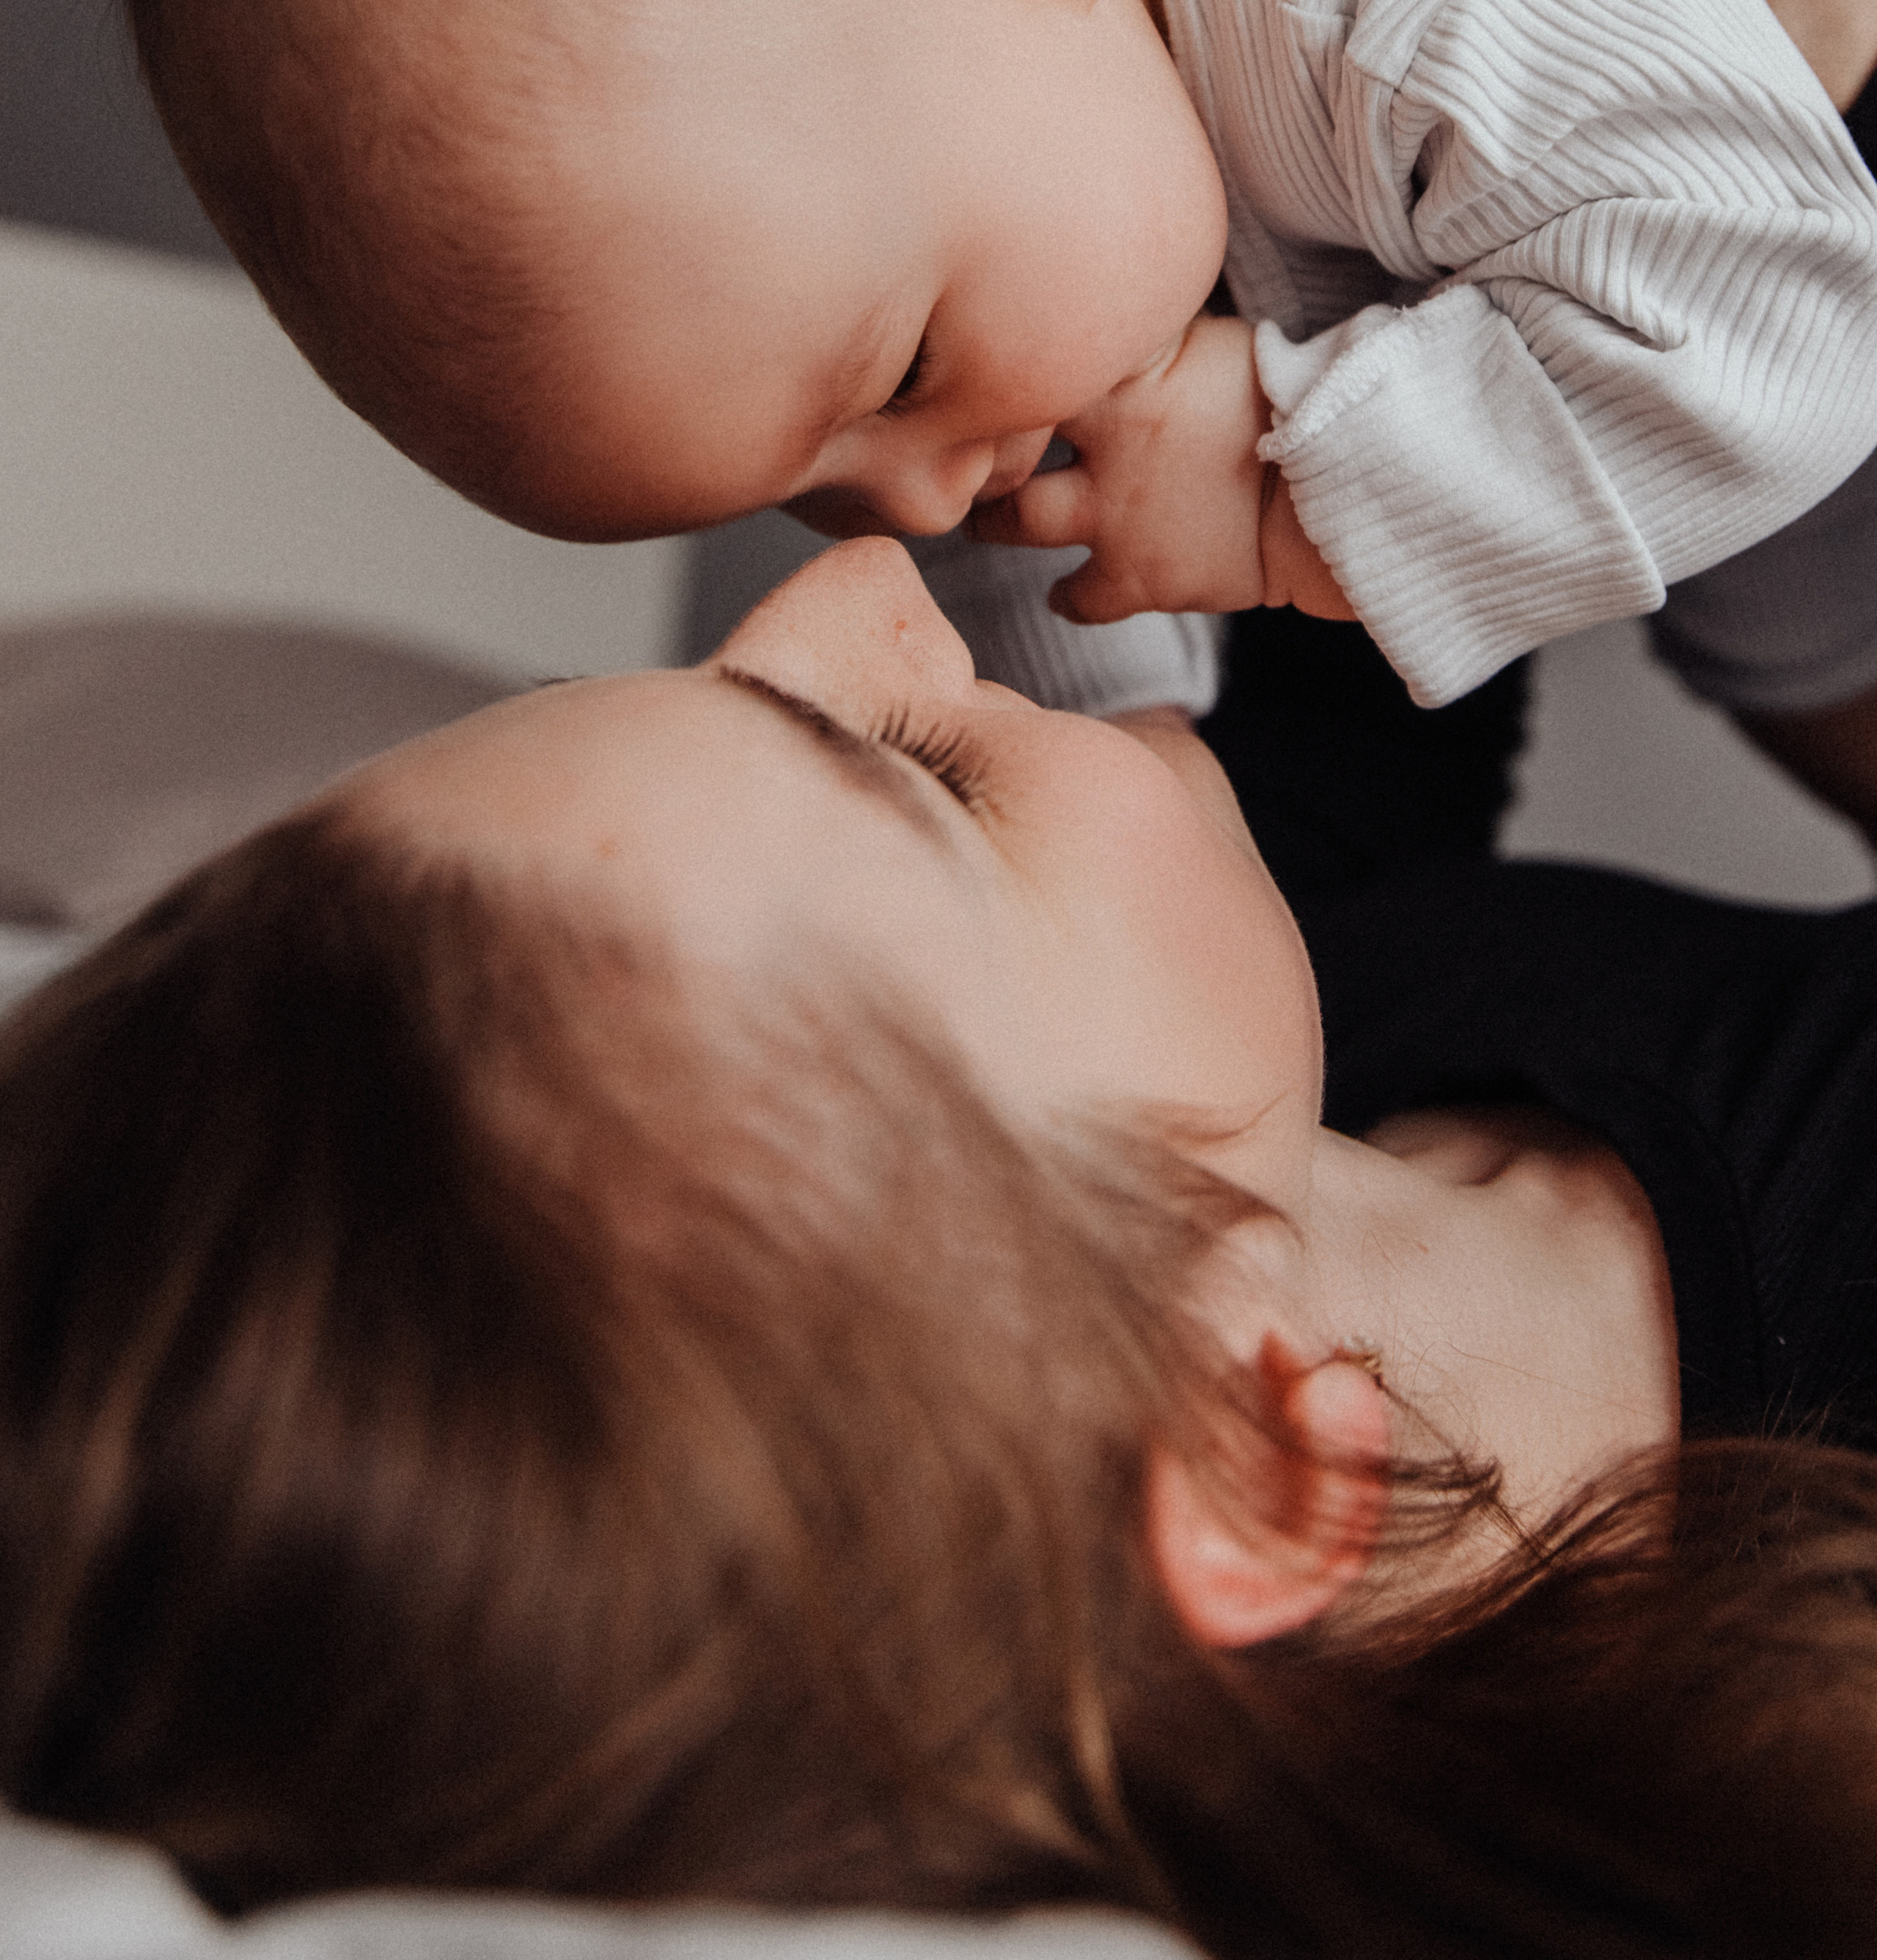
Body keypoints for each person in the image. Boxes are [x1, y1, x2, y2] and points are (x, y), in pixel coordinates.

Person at [2, 532, 1877, 1956]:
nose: (866, 581)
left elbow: (1335, 645)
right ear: (1247, 1457)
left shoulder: (1256, 1093)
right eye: (918, 773)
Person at [120, 0, 1877, 824]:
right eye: (799, 489)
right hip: (1684, 196)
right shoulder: (922, 67)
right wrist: (1099, 752)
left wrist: (1287, 500)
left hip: (1760, 157)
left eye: (895, 376)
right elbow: (1028, 543)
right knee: (1754, 602)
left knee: (1736, 544)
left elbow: (1761, 323)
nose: (906, 504)